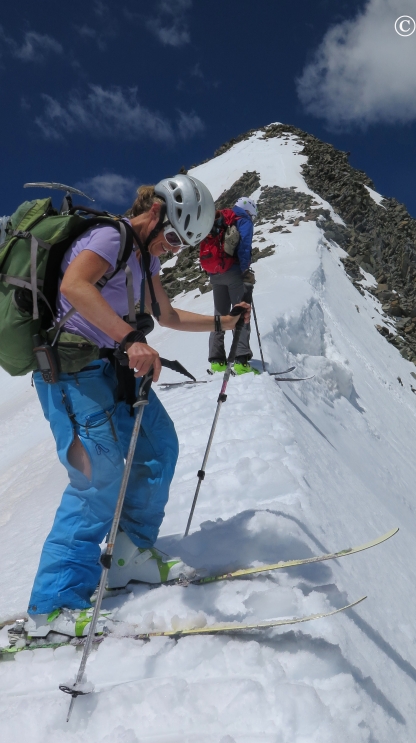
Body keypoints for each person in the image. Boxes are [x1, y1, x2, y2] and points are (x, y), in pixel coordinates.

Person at [25, 175, 250, 639]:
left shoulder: (144, 260)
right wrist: (129, 338)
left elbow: (166, 316)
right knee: (98, 477)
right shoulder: (110, 236)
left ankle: (127, 552)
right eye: (172, 238)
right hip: (67, 372)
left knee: (159, 445)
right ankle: (53, 608)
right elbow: (74, 286)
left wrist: (223, 320)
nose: (173, 249)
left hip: (108, 370)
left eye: (181, 245)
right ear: (155, 213)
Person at [199, 196, 258, 374]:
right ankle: (241, 362)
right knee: (241, 313)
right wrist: (244, 270)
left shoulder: (223, 218)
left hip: (215, 273)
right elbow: (245, 246)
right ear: (249, 210)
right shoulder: (243, 220)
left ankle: (217, 361)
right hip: (233, 272)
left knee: (220, 315)